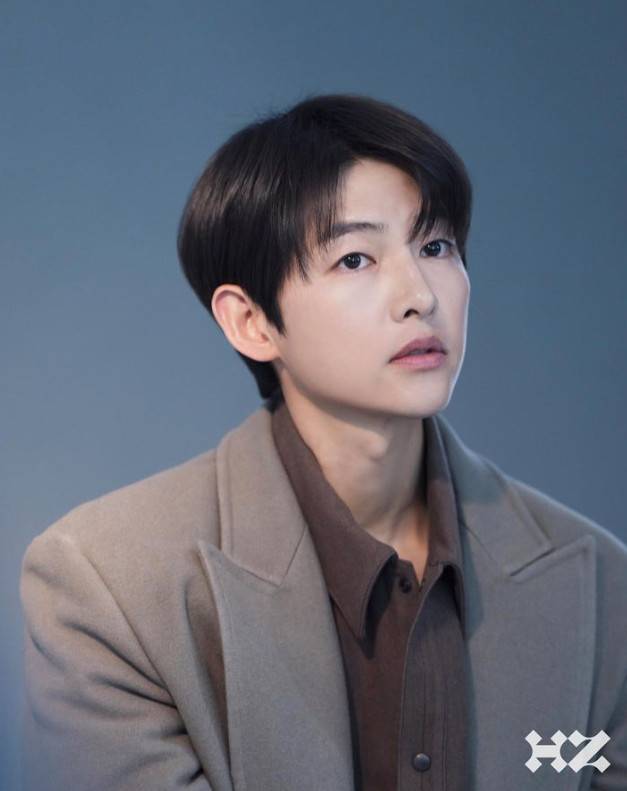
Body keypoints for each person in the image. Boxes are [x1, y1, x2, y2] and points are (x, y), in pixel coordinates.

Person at [20, 93, 627, 791]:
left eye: (435, 247)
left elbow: (578, 763)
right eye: (355, 259)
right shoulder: (110, 586)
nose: (419, 295)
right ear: (251, 322)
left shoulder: (599, 585)